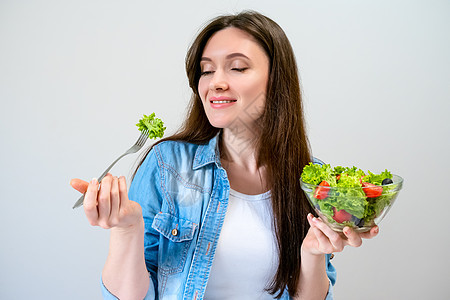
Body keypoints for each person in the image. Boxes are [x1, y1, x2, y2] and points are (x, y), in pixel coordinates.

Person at [70, 10, 378, 300]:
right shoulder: (168, 164)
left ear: (277, 79)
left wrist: (313, 254)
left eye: (238, 67)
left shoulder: (313, 180)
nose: (215, 82)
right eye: (206, 70)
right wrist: (127, 230)